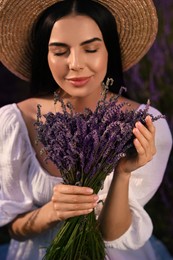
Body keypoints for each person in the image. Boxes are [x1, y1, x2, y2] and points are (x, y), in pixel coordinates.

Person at [0, 0, 172, 259]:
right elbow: (14, 228)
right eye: (60, 52)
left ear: (108, 51)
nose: (75, 64)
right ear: (44, 56)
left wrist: (123, 172)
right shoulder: (14, 121)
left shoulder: (143, 123)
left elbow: (113, 236)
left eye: (90, 49)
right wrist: (51, 212)